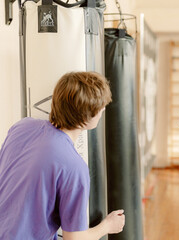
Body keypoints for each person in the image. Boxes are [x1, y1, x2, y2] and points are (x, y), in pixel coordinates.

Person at [0, 72, 125, 239]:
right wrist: (107, 226)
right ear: (88, 117)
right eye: (100, 108)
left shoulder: (22, 127)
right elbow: (74, 238)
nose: (103, 109)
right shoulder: (74, 167)